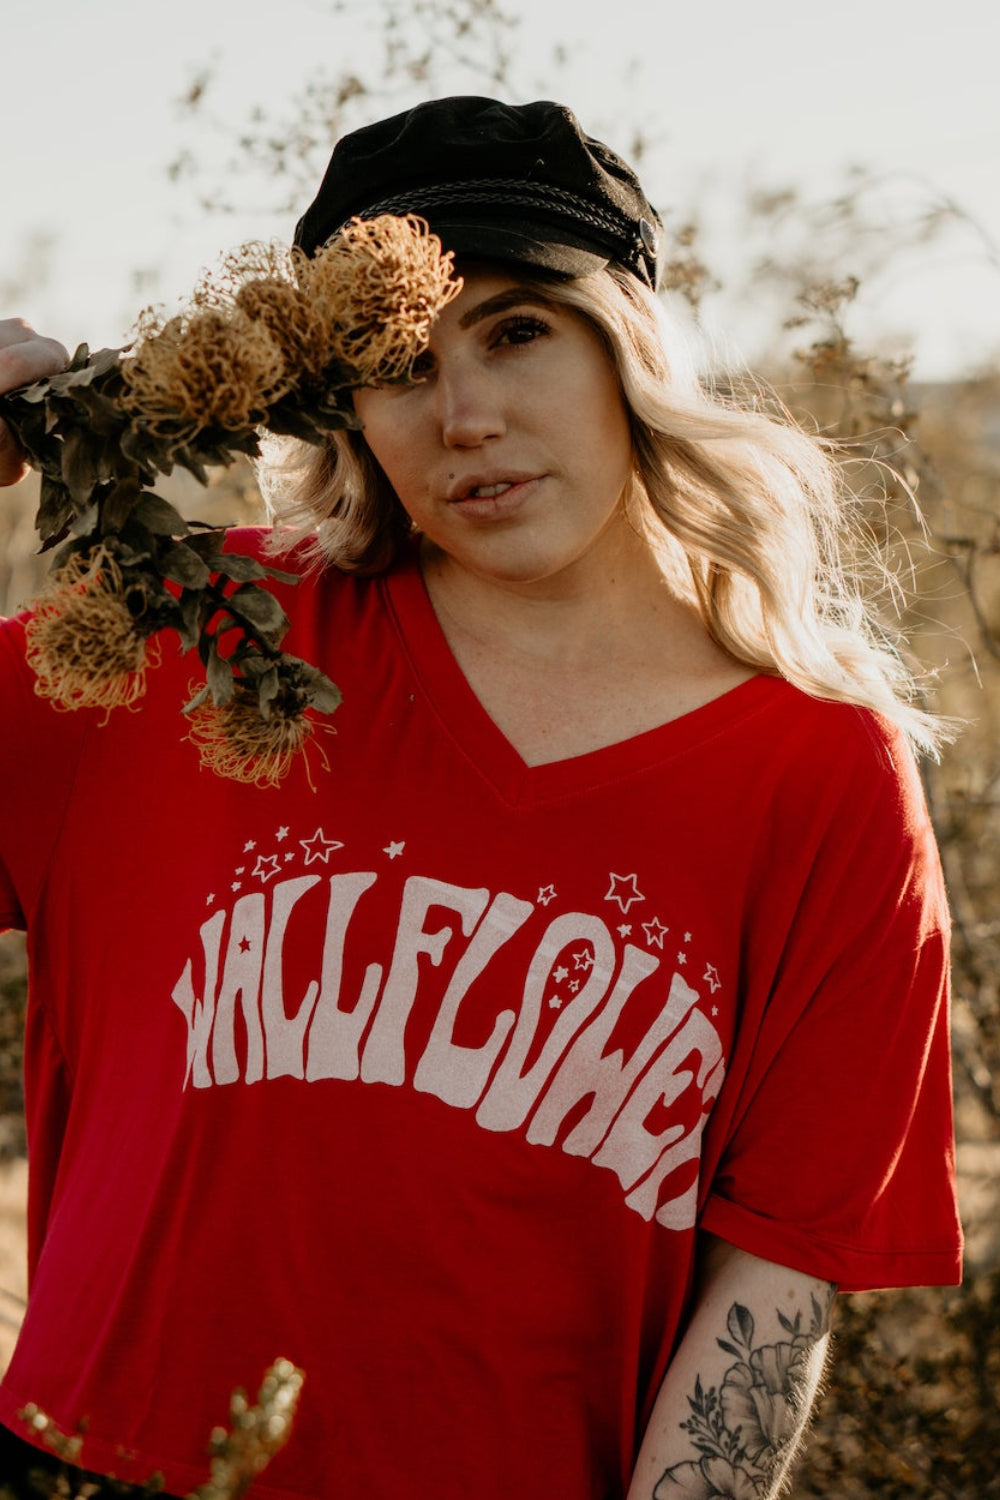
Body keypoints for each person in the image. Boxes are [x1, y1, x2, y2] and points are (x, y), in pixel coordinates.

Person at [0, 97, 962, 1500]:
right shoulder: (188, 643)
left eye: (519, 329)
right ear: (338, 408)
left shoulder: (821, 779)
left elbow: (772, 1286)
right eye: (396, 363)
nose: (466, 415)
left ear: (627, 344)